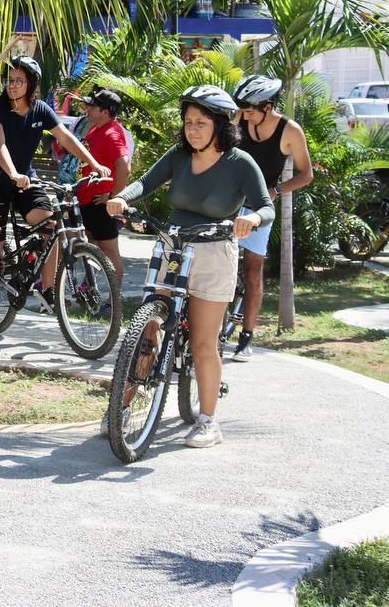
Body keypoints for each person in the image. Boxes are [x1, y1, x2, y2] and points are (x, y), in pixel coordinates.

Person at [106, 85, 274, 449]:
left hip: (215, 252)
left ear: (220, 125)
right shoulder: (179, 156)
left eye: (201, 122)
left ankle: (208, 421)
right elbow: (145, 182)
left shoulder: (240, 163)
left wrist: (253, 219)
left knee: (202, 342)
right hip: (173, 245)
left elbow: (266, 205)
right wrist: (121, 197)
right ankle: (120, 407)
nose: (192, 129)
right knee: (148, 330)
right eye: (187, 122)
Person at [0, 55, 111, 310]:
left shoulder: (41, 109)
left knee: (51, 225)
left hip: (26, 181)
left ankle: (47, 290)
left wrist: (93, 164)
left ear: (31, 84)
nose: (13, 85)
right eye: (10, 79)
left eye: (20, 80)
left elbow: (66, 138)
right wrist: (13, 173)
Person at [231, 75, 314, 361]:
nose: (243, 112)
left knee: (253, 270)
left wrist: (277, 190)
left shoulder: (290, 130)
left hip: (259, 206)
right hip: (228, 202)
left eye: (249, 107)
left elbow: (306, 174)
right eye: (240, 106)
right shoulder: (239, 119)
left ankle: (246, 336)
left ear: (268, 106)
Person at [72, 89, 130, 283]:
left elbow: (124, 166)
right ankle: (89, 289)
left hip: (100, 204)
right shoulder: (97, 128)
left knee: (110, 252)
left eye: (93, 106)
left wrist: (114, 197)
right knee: (86, 247)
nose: (88, 109)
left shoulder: (112, 133)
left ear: (105, 111)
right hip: (86, 200)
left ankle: (114, 302)